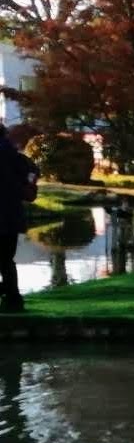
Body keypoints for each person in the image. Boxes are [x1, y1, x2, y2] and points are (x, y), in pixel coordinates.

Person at [0, 124, 36, 312]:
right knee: (6, 259)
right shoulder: (17, 157)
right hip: (12, 217)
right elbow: (32, 173)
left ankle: (11, 296)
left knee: (5, 260)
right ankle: (13, 299)